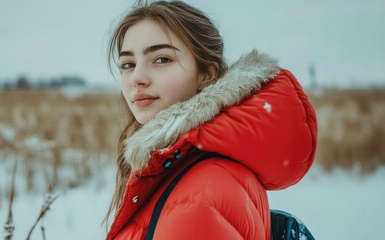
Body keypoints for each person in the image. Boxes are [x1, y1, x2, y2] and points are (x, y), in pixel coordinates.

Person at [104, 1, 317, 239]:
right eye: (128, 64)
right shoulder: (178, 168)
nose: (137, 78)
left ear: (207, 74)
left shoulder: (202, 193)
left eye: (161, 59)